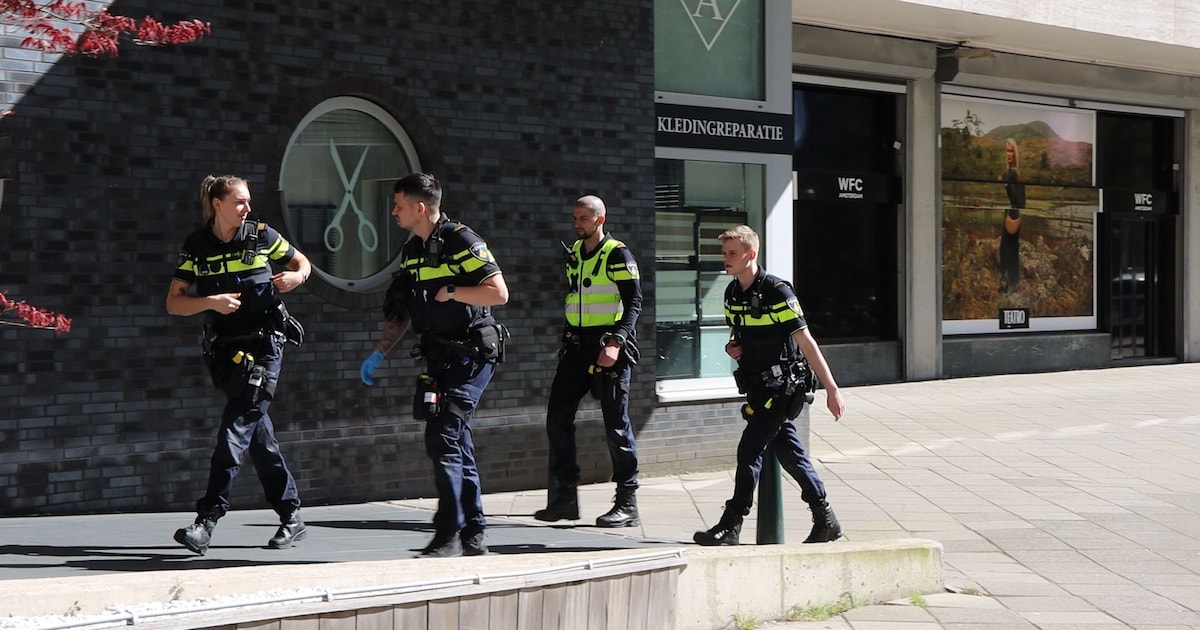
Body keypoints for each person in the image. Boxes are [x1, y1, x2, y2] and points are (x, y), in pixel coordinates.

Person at [359, 172, 509, 558]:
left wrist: (455, 290)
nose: (393, 212)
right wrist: (379, 352)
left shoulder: (462, 241)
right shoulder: (412, 252)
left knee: (441, 436)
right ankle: (474, 532)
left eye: (399, 205)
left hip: (472, 355)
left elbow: (498, 292)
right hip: (439, 357)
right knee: (456, 440)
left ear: (421, 208)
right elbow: (401, 311)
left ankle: (447, 533)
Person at [166, 175, 311, 555]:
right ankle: (292, 515)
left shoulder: (262, 235)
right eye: (239, 202)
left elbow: (302, 263)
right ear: (217, 204)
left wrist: (296, 276)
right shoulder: (196, 247)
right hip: (226, 353)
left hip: (265, 346)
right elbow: (175, 302)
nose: (247, 208)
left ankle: (207, 520)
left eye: (248, 201)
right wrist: (210, 302)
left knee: (235, 428)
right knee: (258, 436)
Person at [693, 225, 846, 546]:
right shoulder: (732, 293)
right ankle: (826, 519)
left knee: (749, 450)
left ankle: (731, 524)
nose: (726, 259)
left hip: (783, 388)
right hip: (757, 386)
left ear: (751, 254)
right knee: (790, 453)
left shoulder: (778, 291)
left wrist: (832, 388)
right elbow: (738, 336)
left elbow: (806, 341)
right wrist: (732, 348)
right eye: (724, 253)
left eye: (733, 253)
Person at [534, 195, 643, 528]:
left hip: (607, 346)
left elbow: (634, 303)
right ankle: (565, 497)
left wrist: (616, 342)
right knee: (557, 418)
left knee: (616, 425)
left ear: (600, 219)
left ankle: (627, 502)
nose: (577, 223)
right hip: (576, 347)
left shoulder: (617, 254)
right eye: (575, 218)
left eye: (583, 218)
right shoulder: (575, 255)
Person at [999, 138, 1024, 291]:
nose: (1009, 154)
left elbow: (1019, 200)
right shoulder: (1008, 172)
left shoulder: (1014, 174)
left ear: (1015, 153)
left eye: (1011, 151)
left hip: (1012, 214)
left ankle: (1010, 284)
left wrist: (1006, 186)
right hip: (1009, 212)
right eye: (1007, 150)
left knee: (1008, 249)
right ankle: (1008, 283)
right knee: (1007, 249)